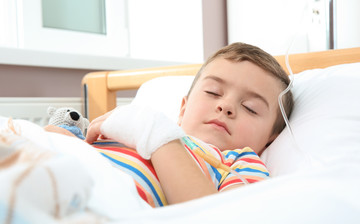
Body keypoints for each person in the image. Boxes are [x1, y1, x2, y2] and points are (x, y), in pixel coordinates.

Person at [51, 42, 294, 207]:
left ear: (271, 137)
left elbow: (221, 222)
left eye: (250, 108)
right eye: (213, 92)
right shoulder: (133, 126)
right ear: (183, 109)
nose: (226, 106)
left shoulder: (238, 163)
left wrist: (153, 132)